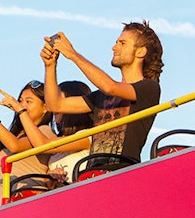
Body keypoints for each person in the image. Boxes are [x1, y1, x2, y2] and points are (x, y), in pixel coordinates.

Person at [41, 21, 163, 166]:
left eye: (122, 43)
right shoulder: (101, 95)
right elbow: (54, 105)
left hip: (124, 172)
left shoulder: (149, 88)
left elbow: (110, 87)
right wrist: (50, 66)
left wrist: (73, 54)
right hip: (92, 174)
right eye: (116, 42)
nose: (114, 47)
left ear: (140, 52)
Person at [45, 80, 93, 184]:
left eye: (58, 99)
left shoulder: (87, 135)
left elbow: (41, 145)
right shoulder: (58, 140)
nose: (53, 106)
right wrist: (51, 176)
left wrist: (22, 112)